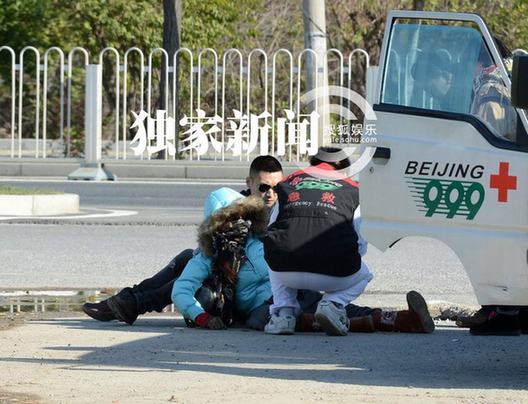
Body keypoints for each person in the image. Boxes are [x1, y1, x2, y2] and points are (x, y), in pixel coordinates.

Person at [82, 155, 284, 325]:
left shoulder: (284, 211)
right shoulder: (236, 208)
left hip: (245, 286)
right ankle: (126, 300)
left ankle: (132, 303)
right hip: (236, 274)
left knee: (199, 270)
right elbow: (224, 243)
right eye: (264, 187)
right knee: (188, 258)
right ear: (249, 183)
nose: (271, 194)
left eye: (278, 188)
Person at [263, 147, 435, 336]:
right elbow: (360, 243)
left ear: (312, 164)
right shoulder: (354, 190)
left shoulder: (289, 184)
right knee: (364, 275)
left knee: (275, 254)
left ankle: (283, 315)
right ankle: (333, 304)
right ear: (345, 170)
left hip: (286, 272)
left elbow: (273, 230)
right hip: (335, 271)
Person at [171, 187, 272, 330]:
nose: (239, 221)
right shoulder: (209, 256)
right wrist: (202, 317)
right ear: (216, 225)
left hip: (288, 295)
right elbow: (181, 290)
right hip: (262, 310)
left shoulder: (260, 239)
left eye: (241, 215)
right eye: (231, 218)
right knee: (262, 319)